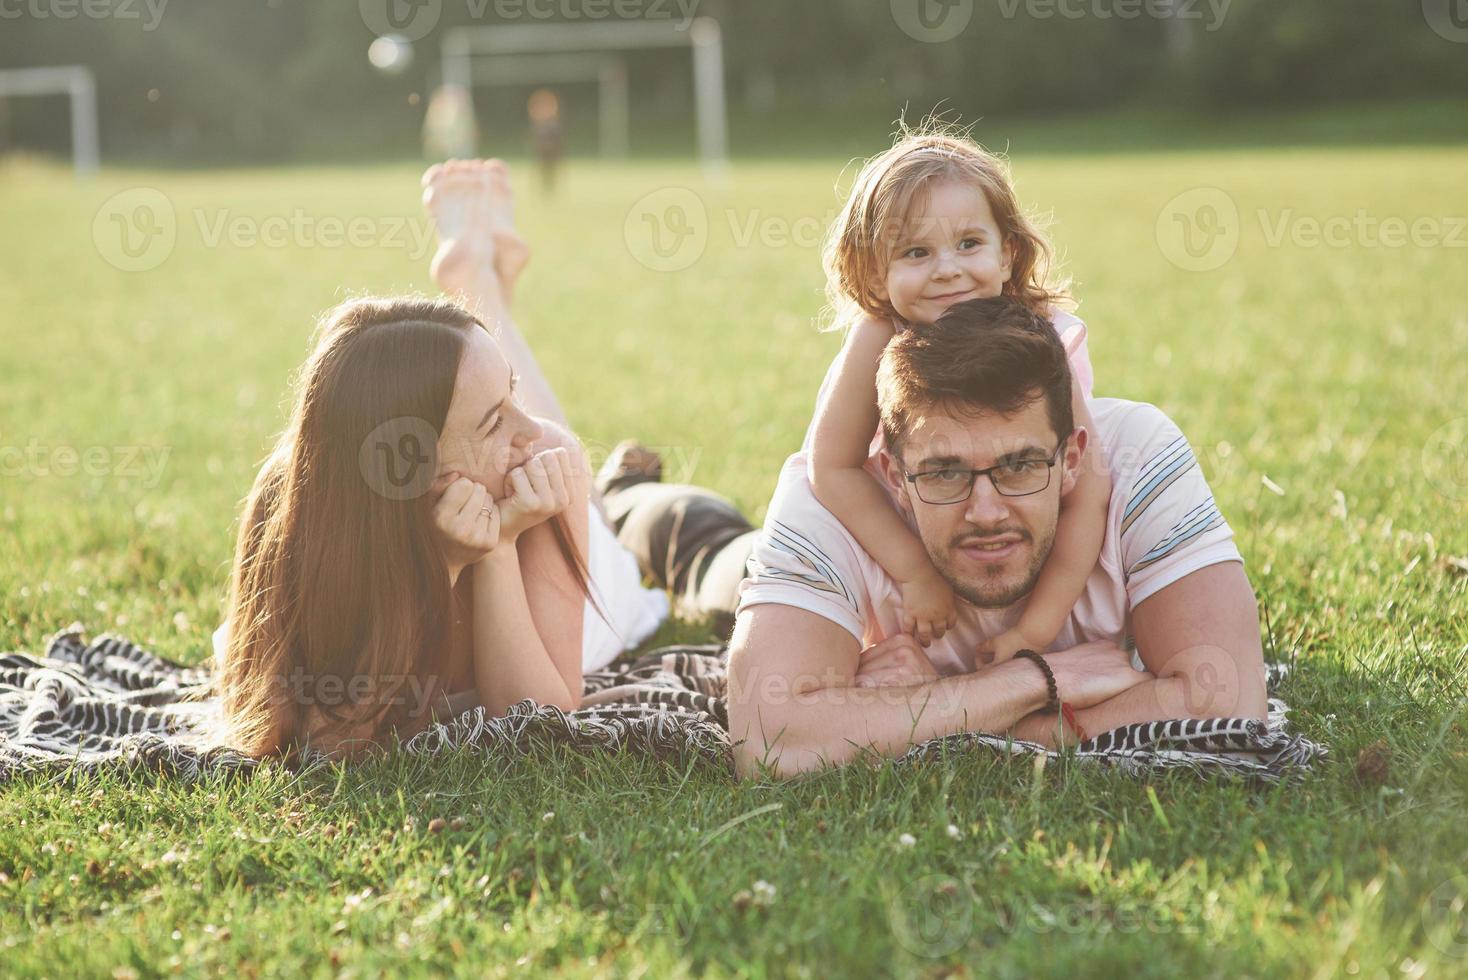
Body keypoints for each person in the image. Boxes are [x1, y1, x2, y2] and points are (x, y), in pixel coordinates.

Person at [599, 299, 1267, 778]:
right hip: (776, 580)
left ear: (1071, 457)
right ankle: (629, 492)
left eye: (1018, 466)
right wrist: (1043, 679)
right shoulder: (826, 496)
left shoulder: (1136, 456)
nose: (984, 511)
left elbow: (1227, 699)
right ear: (892, 473)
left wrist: (928, 713)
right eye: (945, 472)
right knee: (708, 553)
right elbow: (770, 742)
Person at [209, 160, 667, 759]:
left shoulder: (542, 474)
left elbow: (541, 725)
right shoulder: (294, 501)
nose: (533, 430)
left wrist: (500, 549)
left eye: (511, 398)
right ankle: (479, 278)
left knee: (585, 491)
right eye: (494, 422)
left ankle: (481, 287)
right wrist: (444, 565)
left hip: (598, 587)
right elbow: (315, 735)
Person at [808, 126, 1109, 663]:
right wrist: (915, 573)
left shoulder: (1034, 335)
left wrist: (1034, 632)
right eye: (916, 252)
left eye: (968, 244)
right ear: (876, 275)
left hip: (1015, 522)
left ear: (1008, 253)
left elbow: (1088, 487)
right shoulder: (880, 334)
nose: (947, 270)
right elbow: (829, 465)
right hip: (925, 512)